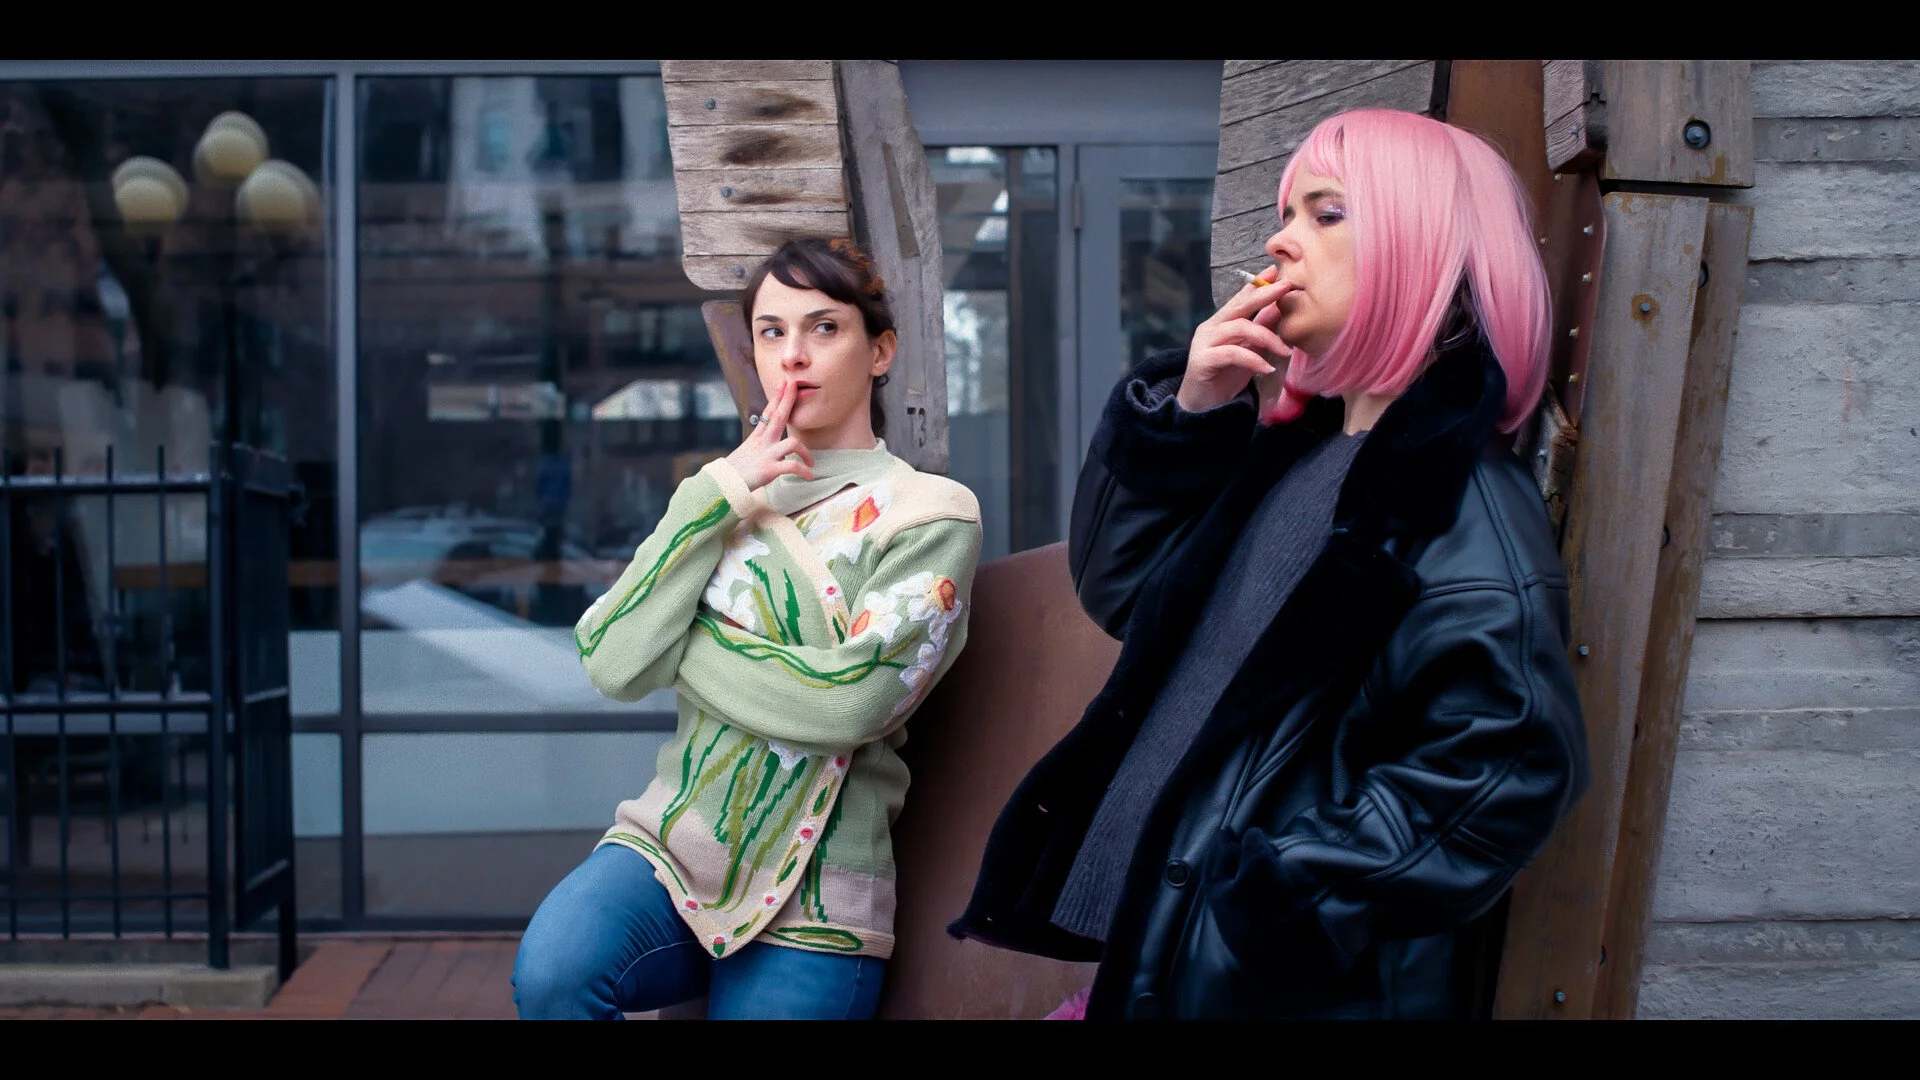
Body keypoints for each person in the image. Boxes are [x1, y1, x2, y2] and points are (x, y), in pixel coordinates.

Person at [949, 108, 1591, 1020]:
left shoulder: (1455, 498)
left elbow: (1511, 762)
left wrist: (1273, 898)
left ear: (1424, 245)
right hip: (1149, 963)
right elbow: (1128, 594)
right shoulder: (1303, 457)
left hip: (1255, 989)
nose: (1280, 242)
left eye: (1325, 213)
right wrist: (1192, 410)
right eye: (1286, 214)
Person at [514, 237, 983, 1020]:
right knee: (555, 973)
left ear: (880, 351)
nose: (793, 356)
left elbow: (851, 705)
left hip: (820, 886)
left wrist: (681, 642)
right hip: (674, 850)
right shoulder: (725, 498)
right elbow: (609, 660)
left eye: (824, 328)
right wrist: (717, 491)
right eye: (771, 331)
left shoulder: (930, 513)